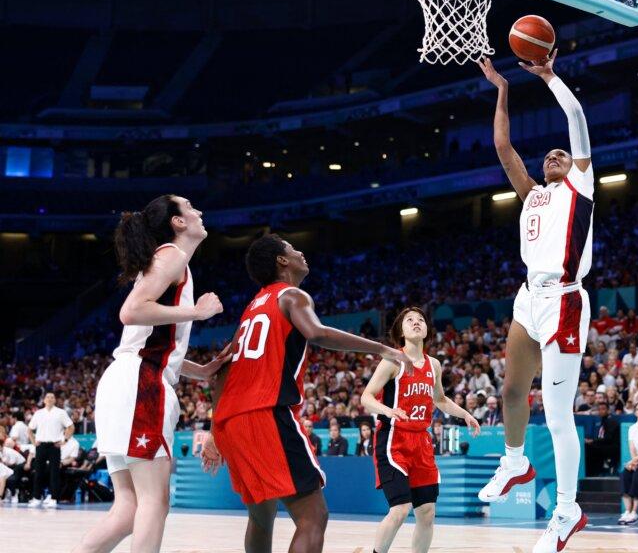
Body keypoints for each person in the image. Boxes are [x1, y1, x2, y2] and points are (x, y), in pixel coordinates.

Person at [202, 234, 414, 553]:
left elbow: (222, 369)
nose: (300, 251)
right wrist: (383, 348)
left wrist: (215, 429)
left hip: (232, 421)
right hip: (267, 414)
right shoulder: (291, 296)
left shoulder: (251, 308)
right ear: (282, 261)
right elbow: (316, 332)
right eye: (292, 249)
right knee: (313, 516)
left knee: (261, 514)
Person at [477, 51, 595, 553]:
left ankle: (567, 510)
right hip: (529, 298)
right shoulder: (531, 194)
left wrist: (547, 75)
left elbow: (576, 120)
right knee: (510, 392)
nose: (553, 155)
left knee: (559, 414)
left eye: (560, 155)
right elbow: (503, 146)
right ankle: (515, 461)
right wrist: (503, 90)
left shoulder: (580, 187)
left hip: (565, 300)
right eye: (548, 154)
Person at [75, 195, 228, 553]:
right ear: (177, 222)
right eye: (190, 208)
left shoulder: (170, 261)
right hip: (140, 384)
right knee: (154, 503)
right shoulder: (171, 255)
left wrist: (200, 370)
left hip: (127, 379)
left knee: (129, 509)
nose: (199, 212)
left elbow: (146, 341)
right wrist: (196, 311)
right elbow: (131, 312)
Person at [362, 307, 481, 553]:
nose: (416, 322)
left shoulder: (434, 365)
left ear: (426, 329)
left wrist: (466, 414)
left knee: (427, 512)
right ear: (401, 331)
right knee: (400, 509)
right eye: (410, 320)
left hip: (421, 442)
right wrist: (387, 410)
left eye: (420, 320)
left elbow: (440, 399)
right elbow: (366, 397)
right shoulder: (392, 360)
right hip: (393, 440)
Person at [27, 392, 73, 508]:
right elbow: (29, 429)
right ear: (44, 400)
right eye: (47, 397)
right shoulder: (38, 413)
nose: (50, 399)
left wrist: (65, 440)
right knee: (38, 472)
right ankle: (37, 497)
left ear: (55, 400)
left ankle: (53, 498)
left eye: (52, 397)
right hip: (41, 445)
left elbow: (71, 427)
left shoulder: (61, 413)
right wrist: (33, 442)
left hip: (54, 446)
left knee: (54, 473)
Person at [584, 401, 619, 476]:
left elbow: (608, 438)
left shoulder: (611, 421)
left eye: (603, 409)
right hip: (605, 445)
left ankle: (592, 473)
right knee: (589, 446)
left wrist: (592, 441)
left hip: (612, 447)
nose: (601, 411)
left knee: (589, 448)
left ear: (608, 410)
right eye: (599, 409)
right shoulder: (603, 421)